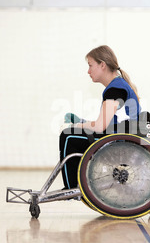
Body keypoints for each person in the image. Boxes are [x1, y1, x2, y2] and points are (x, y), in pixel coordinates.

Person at [59, 45, 141, 189]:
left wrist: (77, 126)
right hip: (121, 136)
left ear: (102, 65)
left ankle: (72, 187)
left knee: (68, 136)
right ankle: (79, 182)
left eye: (91, 65)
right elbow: (104, 124)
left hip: (120, 140)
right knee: (74, 135)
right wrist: (82, 122)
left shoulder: (115, 89)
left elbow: (99, 127)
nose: (88, 71)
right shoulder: (118, 85)